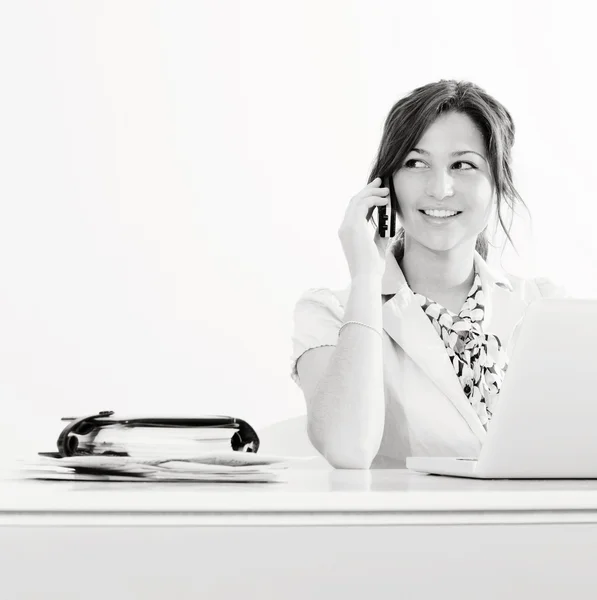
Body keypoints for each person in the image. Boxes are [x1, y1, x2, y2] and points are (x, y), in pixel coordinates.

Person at [289, 80, 566, 470]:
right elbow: (348, 448)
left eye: (463, 165)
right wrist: (368, 279)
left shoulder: (543, 306)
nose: (440, 188)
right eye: (416, 163)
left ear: (497, 184)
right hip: (405, 530)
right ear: (386, 186)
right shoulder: (328, 312)